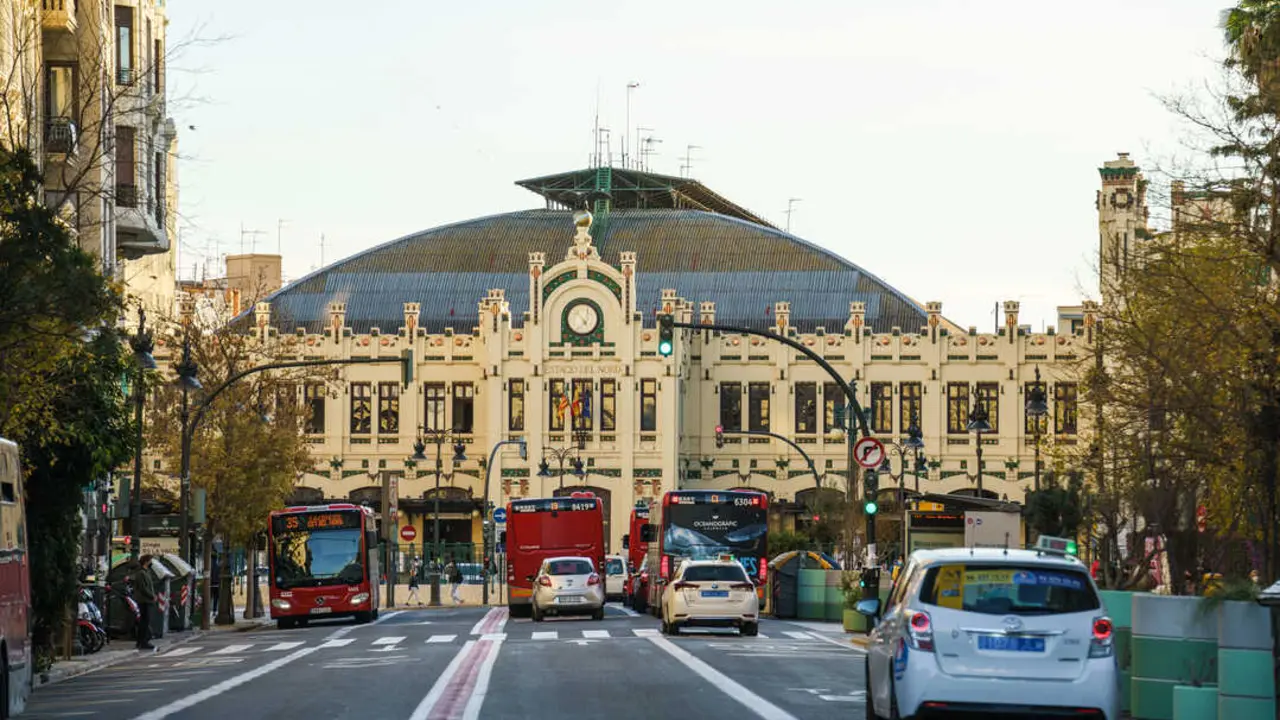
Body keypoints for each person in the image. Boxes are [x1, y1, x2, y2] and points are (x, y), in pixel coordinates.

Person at [132, 555, 157, 651]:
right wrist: (152, 596)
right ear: (146, 562)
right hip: (144, 600)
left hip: (147, 600)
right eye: (150, 560)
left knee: (145, 621)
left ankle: (142, 641)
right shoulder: (141, 573)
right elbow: (143, 588)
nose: (151, 562)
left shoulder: (146, 572)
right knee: (144, 621)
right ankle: (143, 642)